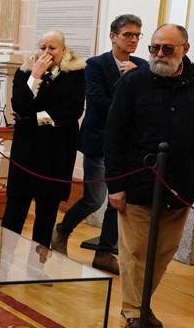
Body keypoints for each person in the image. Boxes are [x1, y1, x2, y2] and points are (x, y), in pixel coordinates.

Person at [105, 24, 194, 328]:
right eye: (154, 48)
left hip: (180, 185)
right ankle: (133, 310)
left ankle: (143, 303)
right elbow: (114, 135)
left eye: (167, 49)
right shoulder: (133, 82)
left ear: (185, 48)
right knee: (135, 252)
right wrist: (115, 184)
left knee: (163, 251)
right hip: (137, 183)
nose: (158, 54)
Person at [51, 15, 148, 274]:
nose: (133, 40)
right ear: (113, 36)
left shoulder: (142, 66)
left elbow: (145, 104)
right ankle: (62, 231)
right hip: (99, 142)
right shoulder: (95, 65)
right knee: (95, 199)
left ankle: (104, 252)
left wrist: (137, 78)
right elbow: (99, 102)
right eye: (128, 34)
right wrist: (127, 81)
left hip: (128, 146)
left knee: (120, 201)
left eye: (137, 35)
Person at [0, 29, 86, 249]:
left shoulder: (75, 74)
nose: (47, 52)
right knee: (15, 208)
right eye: (43, 47)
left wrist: (33, 120)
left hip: (57, 151)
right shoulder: (25, 72)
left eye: (52, 48)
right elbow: (20, 105)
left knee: (47, 211)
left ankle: (38, 261)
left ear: (63, 50)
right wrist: (35, 77)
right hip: (26, 150)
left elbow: (71, 110)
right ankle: (4, 257)